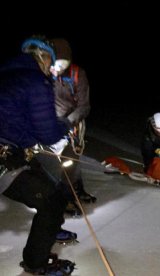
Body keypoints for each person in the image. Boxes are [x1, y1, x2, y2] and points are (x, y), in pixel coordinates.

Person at [0, 36, 76, 274]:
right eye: (51, 63)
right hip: (5, 158)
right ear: (43, 58)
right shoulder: (35, 81)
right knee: (52, 201)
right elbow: (48, 132)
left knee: (53, 190)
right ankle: (36, 263)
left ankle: (50, 230)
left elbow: (19, 122)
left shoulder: (7, 75)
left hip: (12, 152)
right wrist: (63, 127)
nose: (52, 69)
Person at [39, 38, 95, 218]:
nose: (59, 68)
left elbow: (84, 106)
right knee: (50, 163)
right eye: (56, 63)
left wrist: (68, 121)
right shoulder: (43, 74)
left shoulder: (78, 74)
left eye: (64, 63)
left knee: (70, 161)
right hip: (48, 125)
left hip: (71, 125)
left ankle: (73, 193)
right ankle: (58, 196)